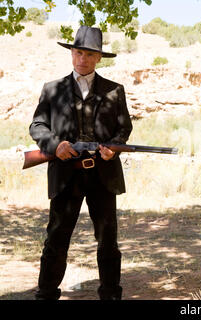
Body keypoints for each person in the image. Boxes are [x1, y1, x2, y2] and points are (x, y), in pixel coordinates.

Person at [30, 26, 132, 300]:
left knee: (108, 241)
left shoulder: (115, 91)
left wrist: (114, 148)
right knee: (56, 239)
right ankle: (46, 294)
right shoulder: (52, 89)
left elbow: (124, 130)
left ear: (99, 57)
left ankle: (110, 295)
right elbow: (37, 125)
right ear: (72, 53)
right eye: (78, 52)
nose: (82, 59)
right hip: (66, 175)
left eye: (89, 54)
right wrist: (55, 145)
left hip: (103, 176)